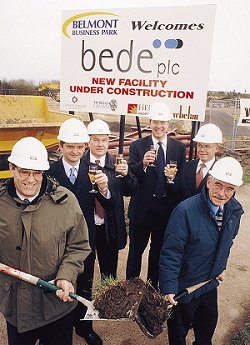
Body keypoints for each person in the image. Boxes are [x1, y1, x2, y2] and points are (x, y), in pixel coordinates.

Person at [0, 137, 91, 345]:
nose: (31, 179)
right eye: (24, 171)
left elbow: (78, 245)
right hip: (16, 308)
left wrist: (66, 276)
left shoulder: (65, 202)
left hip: (56, 307)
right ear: (12, 168)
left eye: (37, 173)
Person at [159, 157, 244, 345]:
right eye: (218, 185)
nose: (222, 193)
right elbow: (171, 253)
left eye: (229, 188)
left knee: (207, 327)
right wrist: (169, 287)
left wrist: (220, 267)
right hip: (185, 286)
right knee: (178, 332)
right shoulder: (185, 211)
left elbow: (227, 241)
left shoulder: (234, 211)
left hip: (209, 283)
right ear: (209, 182)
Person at [47, 118, 107, 345]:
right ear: (60, 146)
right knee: (59, 283)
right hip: (56, 241)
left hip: (85, 241)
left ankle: (84, 327)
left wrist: (105, 188)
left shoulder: (94, 171)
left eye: (79, 146)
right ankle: (59, 327)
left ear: (86, 147)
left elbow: (108, 205)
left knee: (85, 284)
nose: (74, 151)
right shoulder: (50, 173)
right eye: (69, 146)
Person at [126, 101, 186, 289]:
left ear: (169, 124)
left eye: (163, 122)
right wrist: (143, 164)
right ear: (149, 123)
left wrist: (171, 179)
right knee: (136, 252)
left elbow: (181, 181)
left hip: (165, 210)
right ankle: (131, 290)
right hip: (142, 209)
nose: (159, 126)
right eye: (155, 122)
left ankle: (152, 290)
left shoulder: (179, 148)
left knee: (158, 252)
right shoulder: (138, 146)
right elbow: (130, 174)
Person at [84, 118, 137, 279]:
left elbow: (130, 191)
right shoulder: (80, 165)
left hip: (109, 227)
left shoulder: (117, 164)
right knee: (85, 272)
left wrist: (127, 175)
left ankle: (105, 303)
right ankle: (84, 303)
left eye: (104, 140)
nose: (100, 144)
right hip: (86, 227)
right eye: (96, 140)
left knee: (109, 274)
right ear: (88, 142)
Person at [180, 123, 223, 200]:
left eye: (207, 146)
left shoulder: (221, 171)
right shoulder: (187, 166)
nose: (202, 150)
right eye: (199, 145)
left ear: (217, 148)